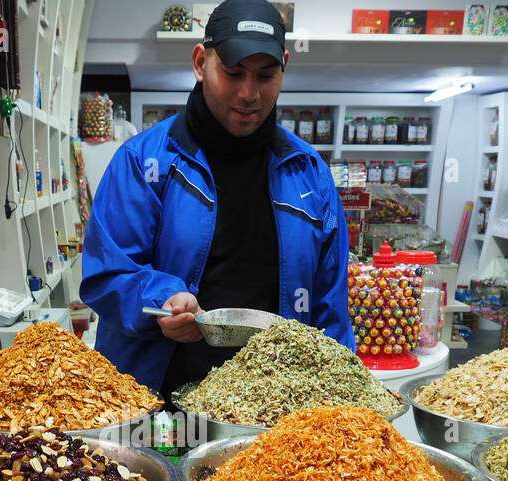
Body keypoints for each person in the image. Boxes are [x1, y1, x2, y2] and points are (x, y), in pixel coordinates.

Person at [80, 0, 354, 395]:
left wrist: (342, 399)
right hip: (157, 408)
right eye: (233, 72)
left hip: (271, 415)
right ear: (199, 63)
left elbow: (331, 307)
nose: (249, 93)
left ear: (284, 68)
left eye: (266, 75)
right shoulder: (144, 162)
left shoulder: (310, 175)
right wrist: (163, 298)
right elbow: (108, 273)